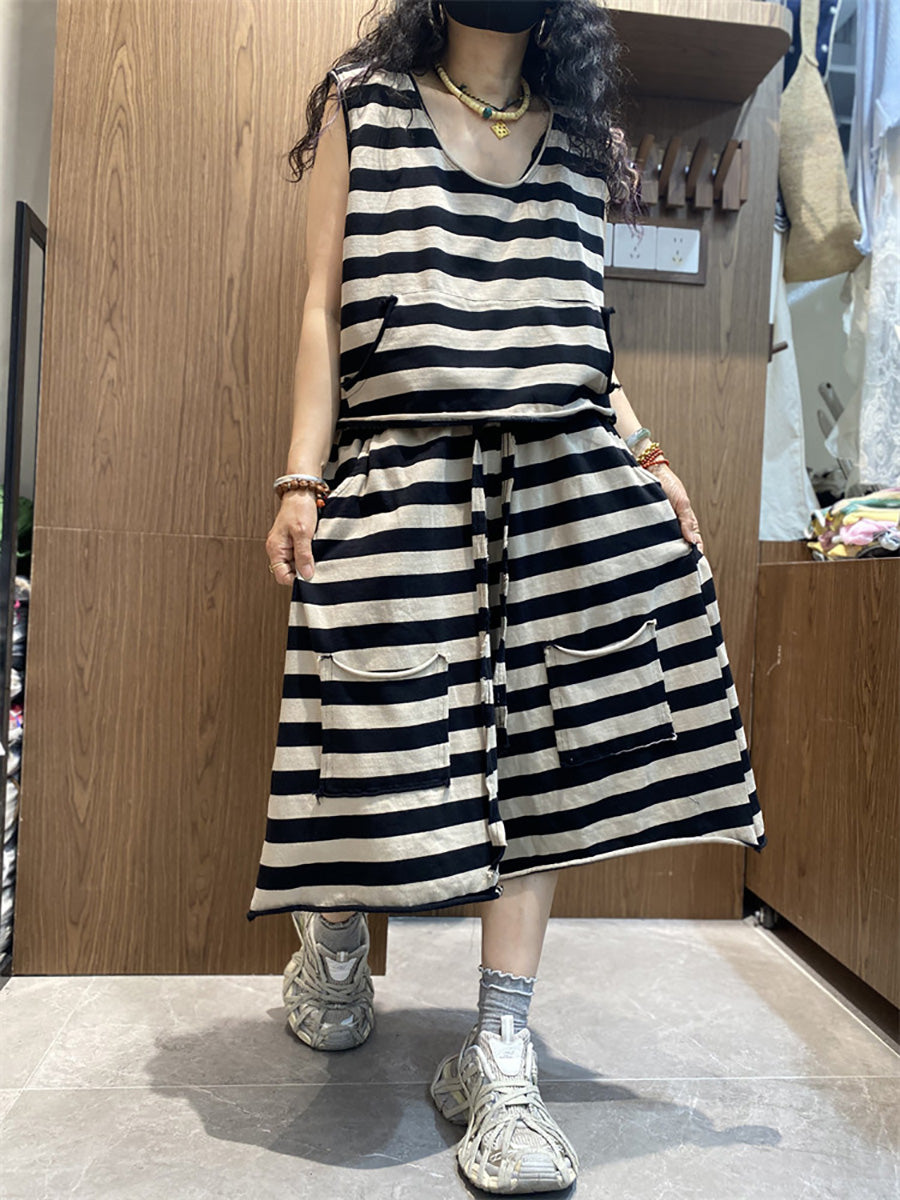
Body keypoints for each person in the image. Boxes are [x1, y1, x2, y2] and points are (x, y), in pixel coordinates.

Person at [247, 0, 767, 1192]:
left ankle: (500, 1049)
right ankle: (336, 942)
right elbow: (322, 305)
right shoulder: (363, 107)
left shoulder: (585, 137)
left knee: (541, 760)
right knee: (373, 736)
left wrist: (649, 454)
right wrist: (302, 478)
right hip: (403, 465)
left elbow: (588, 338)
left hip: (560, 473)